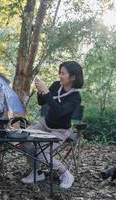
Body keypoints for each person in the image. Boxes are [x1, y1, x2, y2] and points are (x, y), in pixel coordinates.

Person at [20, 61, 84, 189]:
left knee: (41, 152)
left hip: (60, 130)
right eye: (60, 72)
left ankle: (65, 173)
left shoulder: (76, 97)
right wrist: (40, 91)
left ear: (73, 77)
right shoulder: (56, 85)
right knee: (23, 137)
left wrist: (47, 92)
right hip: (45, 123)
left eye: (63, 73)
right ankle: (37, 172)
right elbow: (41, 102)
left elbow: (59, 112)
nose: (60, 76)